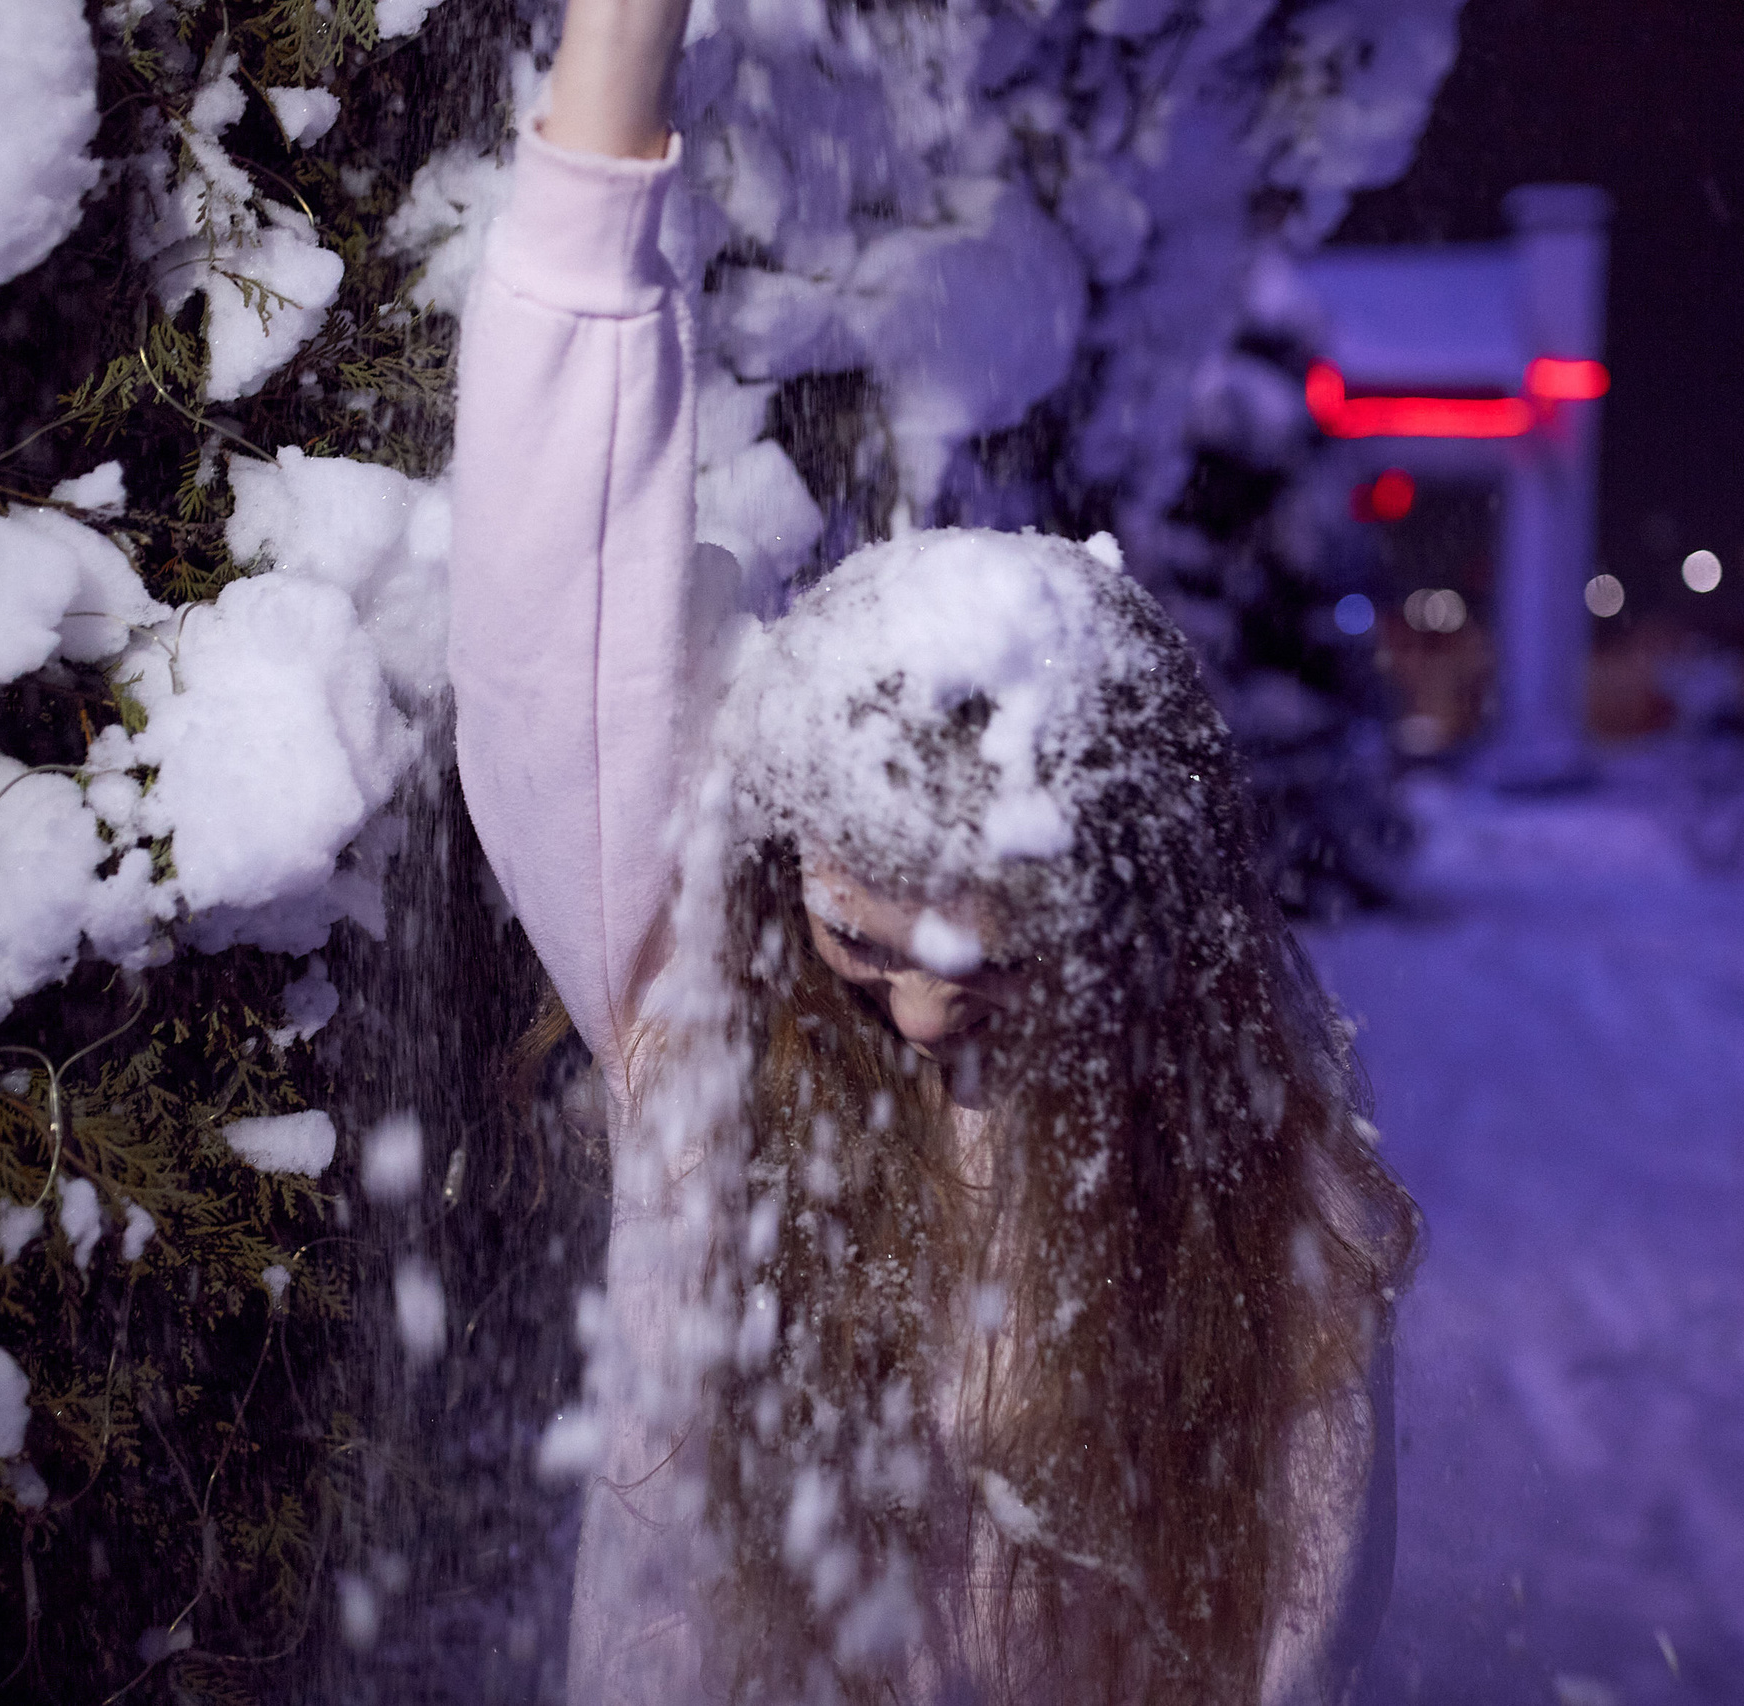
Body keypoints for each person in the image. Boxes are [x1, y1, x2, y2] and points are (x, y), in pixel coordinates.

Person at [448, 0, 1418, 1697]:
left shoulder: (1269, 1179)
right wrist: (615, 63)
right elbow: (557, 583)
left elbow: (1293, 1636)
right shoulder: (706, 1023)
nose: (912, 1014)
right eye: (864, 942)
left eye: (987, 960)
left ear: (1141, 928)